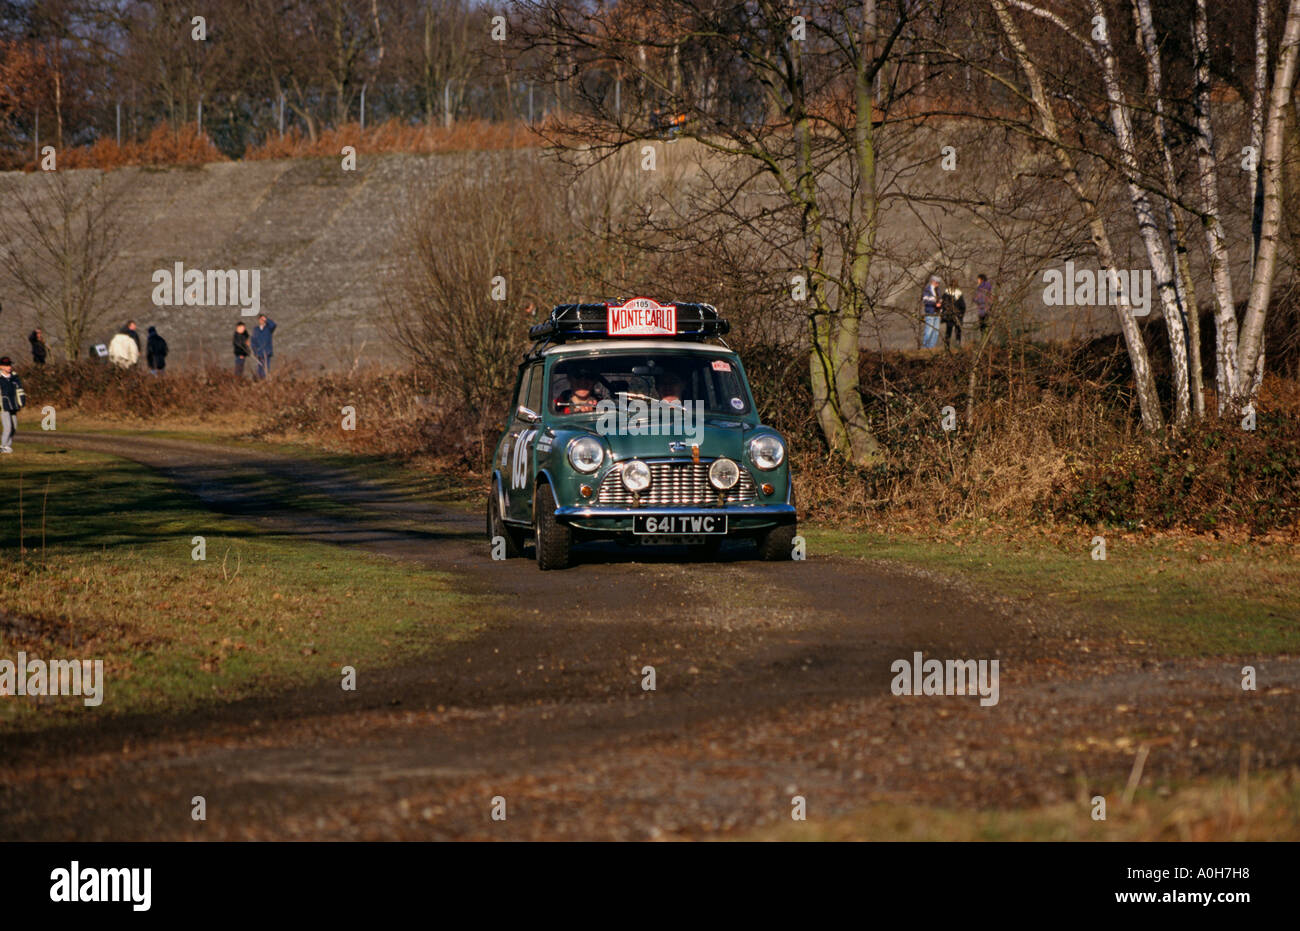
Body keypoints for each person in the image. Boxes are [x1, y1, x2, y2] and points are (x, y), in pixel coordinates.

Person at [0, 356, 26, 453]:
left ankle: (7, 446)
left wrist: (22, 401)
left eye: (9, 365)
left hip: (14, 405)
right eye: (6, 365)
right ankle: (3, 446)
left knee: (14, 427)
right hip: (3, 406)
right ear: (1, 367)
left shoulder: (15, 377)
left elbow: (20, 390)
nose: (9, 367)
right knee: (7, 427)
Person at [251, 314, 276, 379]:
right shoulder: (256, 329)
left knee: (266, 368)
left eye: (263, 319)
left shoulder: (268, 328)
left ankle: (265, 380)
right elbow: (253, 341)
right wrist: (255, 351)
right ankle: (260, 380)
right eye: (260, 319)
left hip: (267, 352)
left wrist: (266, 319)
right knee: (260, 368)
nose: (262, 320)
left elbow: (273, 325)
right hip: (259, 352)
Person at [941, 285, 966, 350]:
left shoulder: (945, 294)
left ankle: (946, 346)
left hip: (949, 316)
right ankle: (958, 344)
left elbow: (943, 304)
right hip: (958, 315)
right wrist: (961, 314)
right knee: (958, 331)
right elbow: (963, 306)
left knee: (948, 331)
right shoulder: (959, 294)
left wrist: (944, 313)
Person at [922, 276, 941, 349]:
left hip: (937, 313)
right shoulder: (927, 290)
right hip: (930, 313)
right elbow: (925, 300)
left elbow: (939, 300)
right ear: (933, 282)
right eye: (937, 283)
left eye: (938, 283)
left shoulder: (938, 290)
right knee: (929, 331)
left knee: (935, 332)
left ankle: (932, 347)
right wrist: (934, 303)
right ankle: (925, 347)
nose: (937, 284)